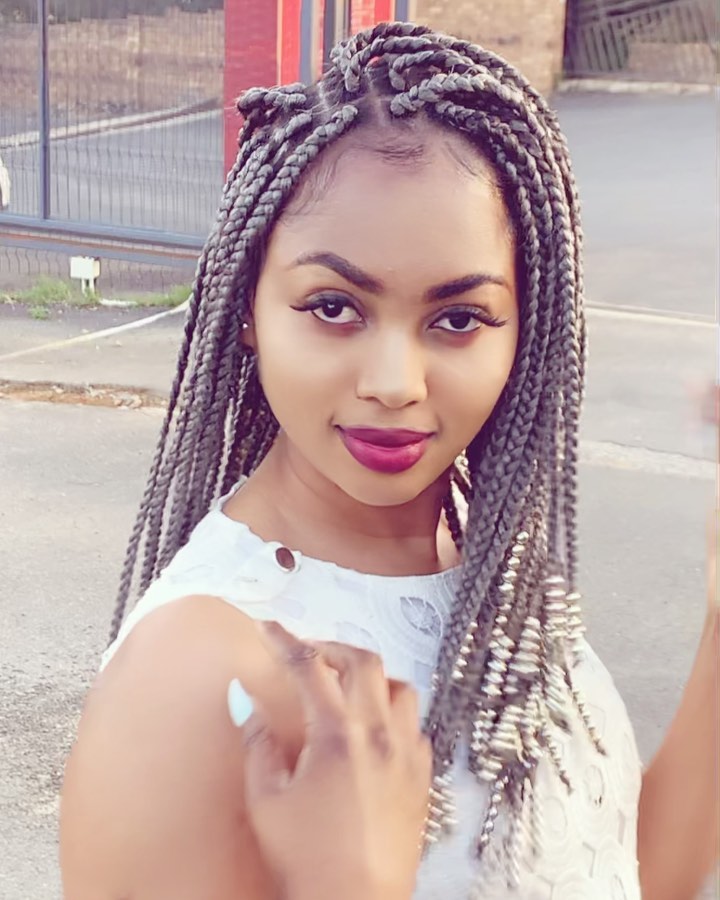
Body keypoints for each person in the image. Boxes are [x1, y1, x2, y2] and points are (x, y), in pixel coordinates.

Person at [59, 21, 718, 900]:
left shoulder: (482, 561)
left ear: (524, 333)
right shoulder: (195, 677)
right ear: (248, 307)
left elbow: (616, 870)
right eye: (334, 306)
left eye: (458, 319)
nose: (395, 383)